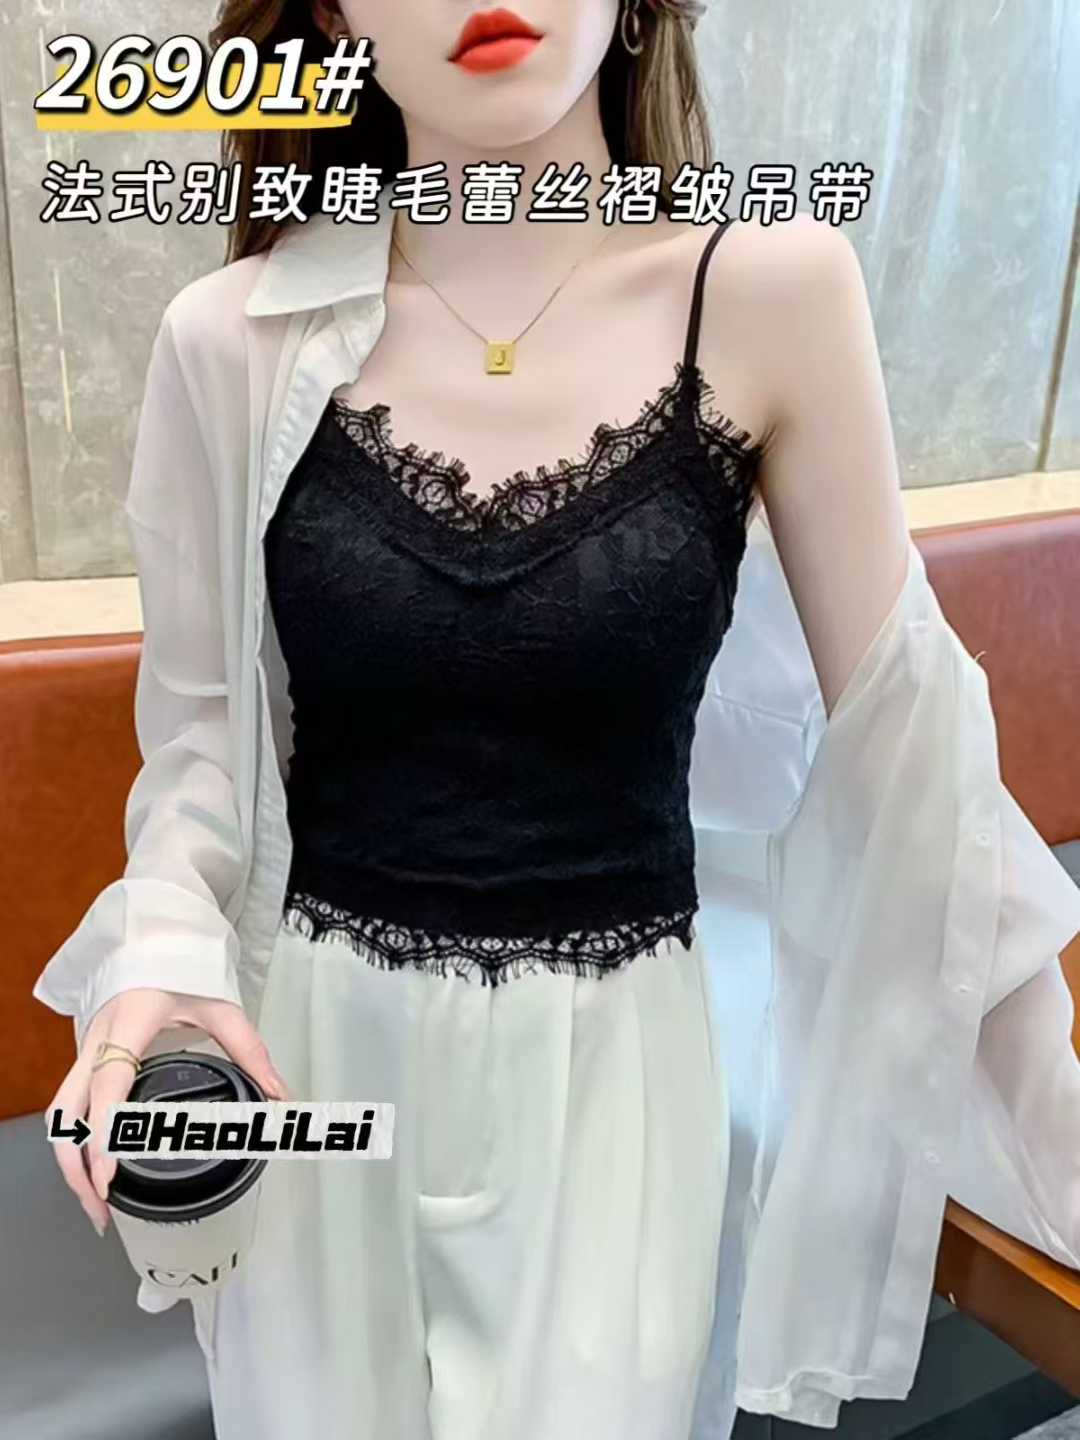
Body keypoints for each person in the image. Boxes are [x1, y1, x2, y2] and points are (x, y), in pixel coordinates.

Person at [33, 3, 1080, 1438]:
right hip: (316, 1047)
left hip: (618, 1082)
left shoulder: (770, 294)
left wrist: (1053, 1125)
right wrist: (158, 957)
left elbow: (919, 758)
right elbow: (204, 753)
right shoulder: (232, 339)